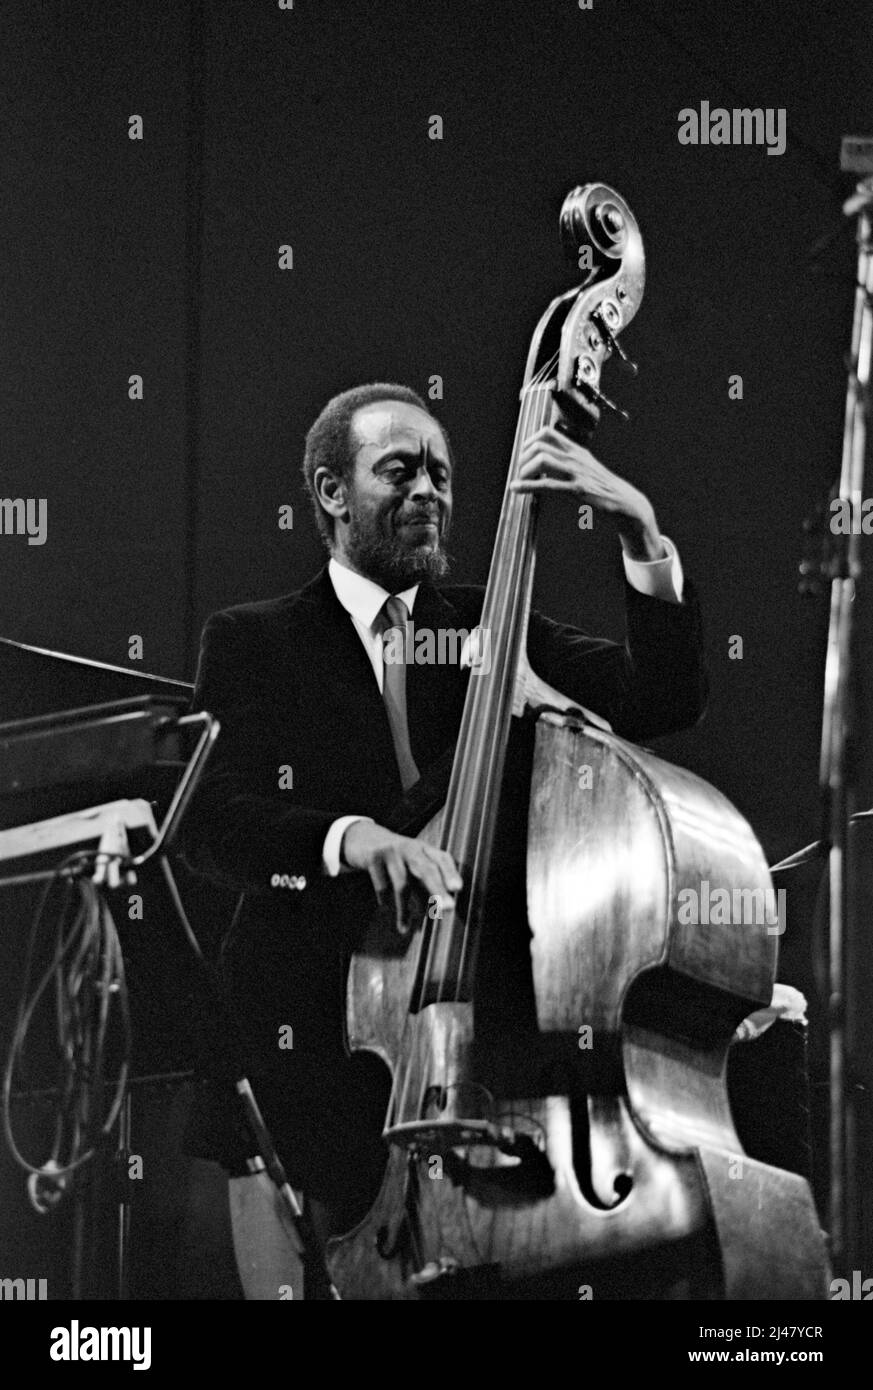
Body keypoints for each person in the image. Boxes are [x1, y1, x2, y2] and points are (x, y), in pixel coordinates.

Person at [180, 381, 707, 1280]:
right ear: (330, 493)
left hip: (465, 1030)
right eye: (398, 470)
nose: (428, 490)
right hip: (303, 1030)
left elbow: (661, 698)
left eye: (441, 473)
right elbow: (209, 820)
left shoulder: (491, 628)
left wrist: (640, 535)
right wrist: (351, 837)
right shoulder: (251, 641)